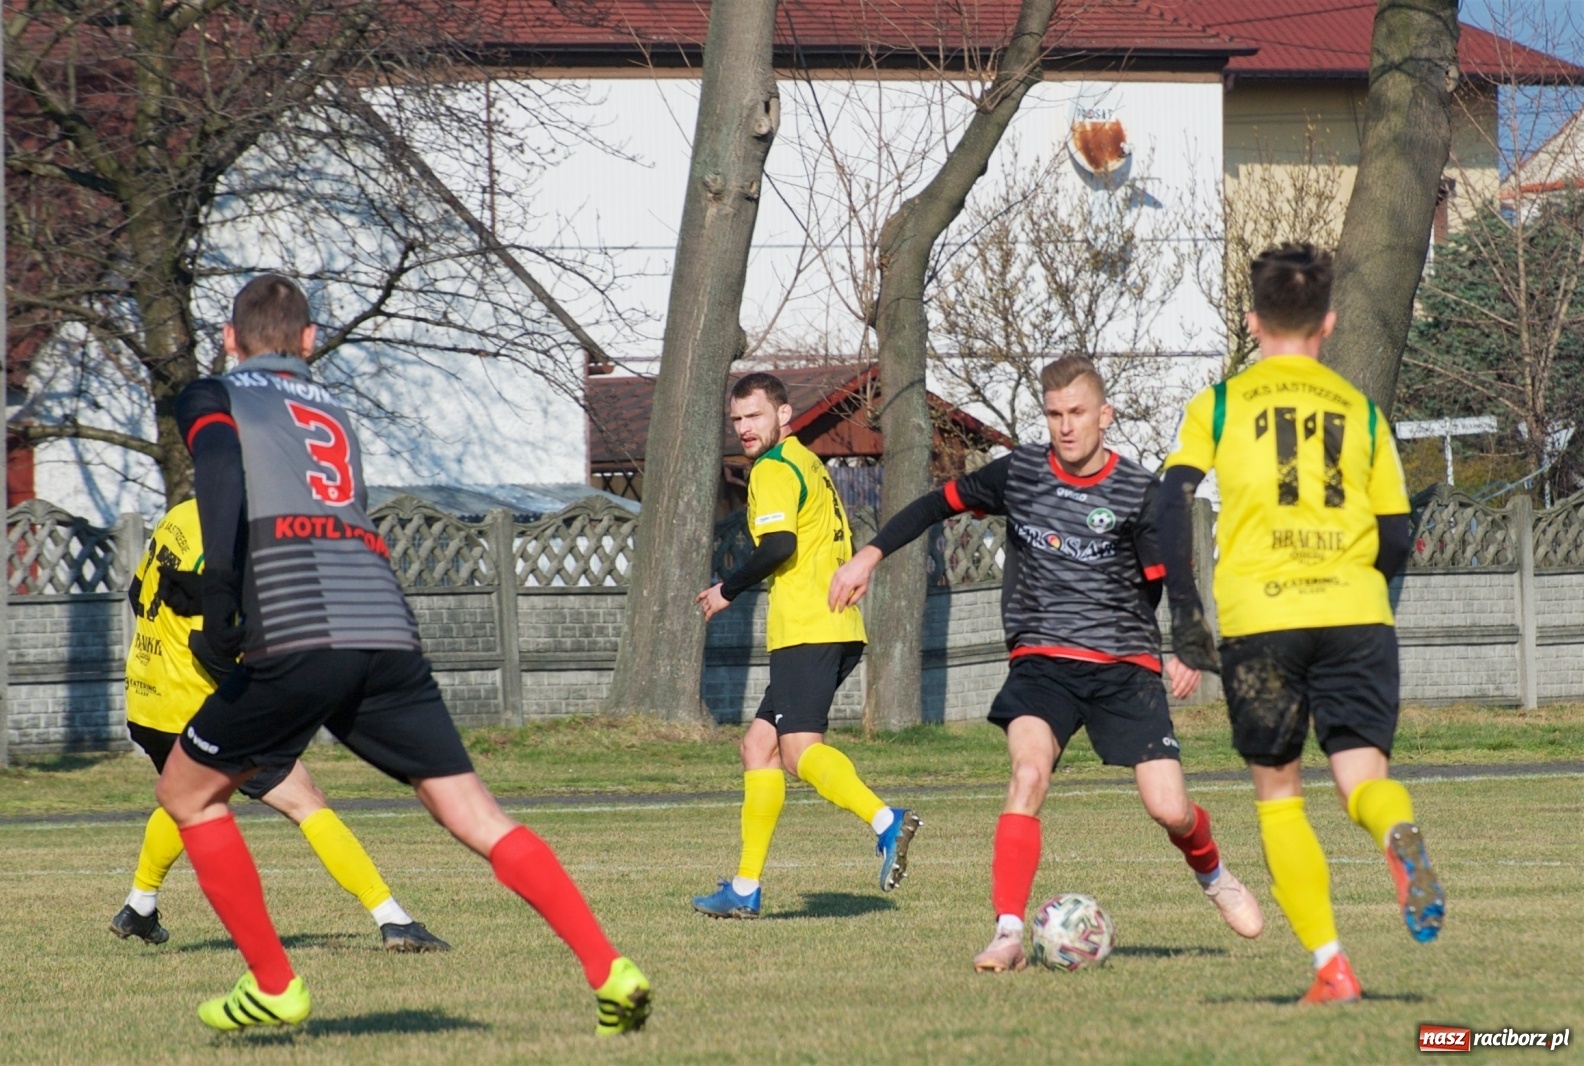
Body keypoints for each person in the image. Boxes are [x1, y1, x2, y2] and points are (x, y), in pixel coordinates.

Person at [155, 274, 650, 1034]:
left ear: (229, 337)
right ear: (310, 342)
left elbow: (222, 473)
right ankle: (608, 966)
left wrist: (219, 588)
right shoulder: (334, 411)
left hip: (300, 632)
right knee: (473, 812)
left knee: (188, 795)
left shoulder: (212, 393)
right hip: (385, 627)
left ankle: (275, 984)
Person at [829, 355, 1264, 973]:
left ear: (1104, 416)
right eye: (1055, 414)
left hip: (1124, 666)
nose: (1065, 426)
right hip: (1042, 662)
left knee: (1169, 808)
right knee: (1027, 776)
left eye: (1077, 413)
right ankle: (1008, 932)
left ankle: (1214, 874)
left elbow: (1174, 575)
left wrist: (1188, 644)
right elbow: (935, 505)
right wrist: (867, 557)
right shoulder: (1021, 474)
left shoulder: (1139, 492)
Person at [1156, 243, 1443, 1005]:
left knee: (1279, 795)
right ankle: (1394, 836)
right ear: (1329, 323)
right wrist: (1353, 591)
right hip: (1355, 613)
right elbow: (1395, 536)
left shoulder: (1219, 405)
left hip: (1264, 621)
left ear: (1253, 322)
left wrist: (1187, 617)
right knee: (1362, 778)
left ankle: (1331, 966)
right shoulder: (1363, 411)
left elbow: (1169, 500)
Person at [112, 497, 448, 953]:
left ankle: (139, 906)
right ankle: (393, 919)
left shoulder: (182, 515)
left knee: (189, 797)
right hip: (198, 704)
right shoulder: (232, 542)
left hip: (149, 698)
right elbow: (210, 647)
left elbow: (137, 594)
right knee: (305, 800)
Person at [691, 372, 920, 919]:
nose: (745, 429)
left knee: (796, 751)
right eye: (738, 420)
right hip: (835, 627)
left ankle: (886, 820)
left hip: (808, 628)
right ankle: (745, 888)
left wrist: (727, 588)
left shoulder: (772, 468)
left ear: (783, 414)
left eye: (755, 417)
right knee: (758, 748)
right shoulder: (804, 460)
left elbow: (778, 547)